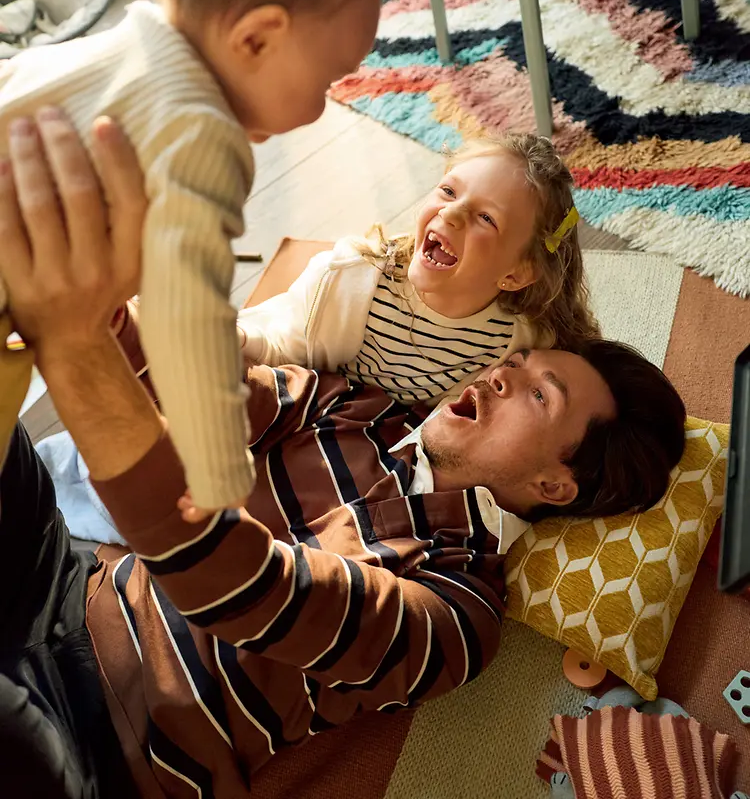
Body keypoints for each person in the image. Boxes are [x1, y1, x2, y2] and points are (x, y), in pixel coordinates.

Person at [0, 111, 686, 798]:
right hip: (68, 580)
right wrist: (113, 306)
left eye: (540, 396)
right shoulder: (360, 407)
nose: (502, 376)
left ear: (555, 484)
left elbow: (266, 599)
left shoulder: (458, 609)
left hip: (105, 735)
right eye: (518, 362)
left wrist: (91, 361)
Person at [0, 0, 381, 520]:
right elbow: (188, 316)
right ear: (256, 39)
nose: (321, 108)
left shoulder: (98, 53)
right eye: (325, 81)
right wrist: (217, 462)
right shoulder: (203, 135)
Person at [237, 134, 598, 412]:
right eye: (448, 191)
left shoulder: (513, 345)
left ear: (516, 275)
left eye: (486, 218)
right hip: (316, 406)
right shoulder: (348, 277)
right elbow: (280, 348)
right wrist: (238, 340)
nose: (451, 213)